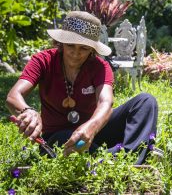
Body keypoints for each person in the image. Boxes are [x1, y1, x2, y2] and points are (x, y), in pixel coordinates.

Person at [5, 11, 158, 165]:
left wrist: (91, 127)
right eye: (70, 45)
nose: (75, 53)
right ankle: (113, 158)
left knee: (146, 102)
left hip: (95, 131)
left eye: (84, 48)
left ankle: (128, 158)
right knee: (62, 138)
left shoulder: (100, 67)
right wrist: (27, 111)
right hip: (57, 137)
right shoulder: (43, 61)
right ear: (60, 42)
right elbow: (13, 96)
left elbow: (106, 102)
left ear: (92, 49)